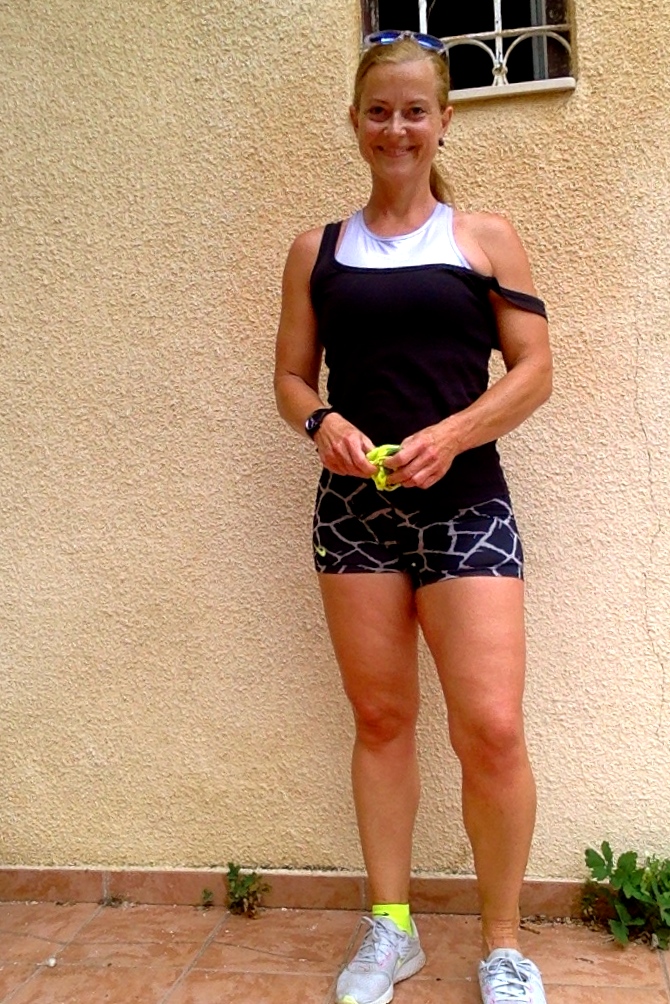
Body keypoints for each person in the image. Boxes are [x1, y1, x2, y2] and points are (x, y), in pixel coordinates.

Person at [274, 29, 553, 1004]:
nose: (396, 128)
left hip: (467, 506)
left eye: (414, 111)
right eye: (379, 111)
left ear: (443, 121)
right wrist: (322, 423)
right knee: (382, 719)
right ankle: (390, 929)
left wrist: (456, 431)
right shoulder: (316, 251)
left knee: (493, 729)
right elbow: (289, 377)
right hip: (354, 513)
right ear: (355, 121)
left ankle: (503, 943)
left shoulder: (484, 239)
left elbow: (534, 369)